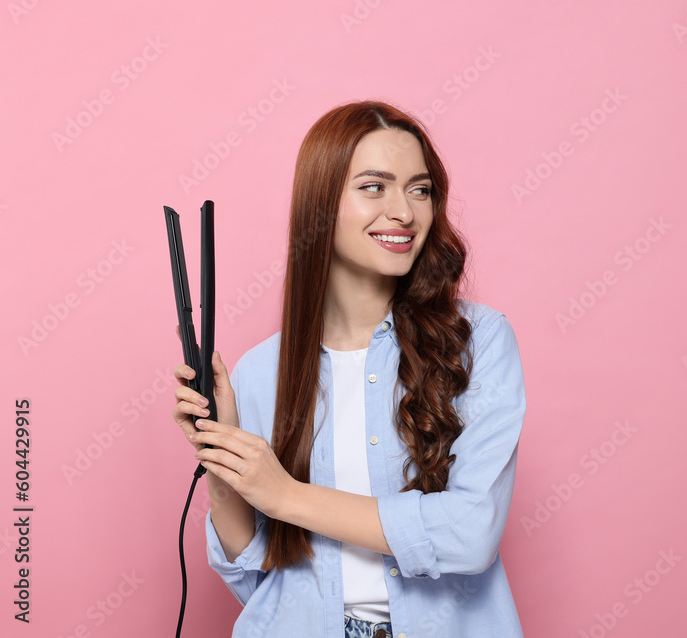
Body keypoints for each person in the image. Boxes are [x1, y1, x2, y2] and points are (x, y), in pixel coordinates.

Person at [172, 101, 527, 637]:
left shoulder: (477, 341)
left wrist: (286, 494)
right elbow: (255, 577)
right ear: (321, 203)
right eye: (374, 187)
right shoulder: (261, 371)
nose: (404, 212)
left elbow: (471, 534)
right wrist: (220, 456)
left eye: (420, 189)